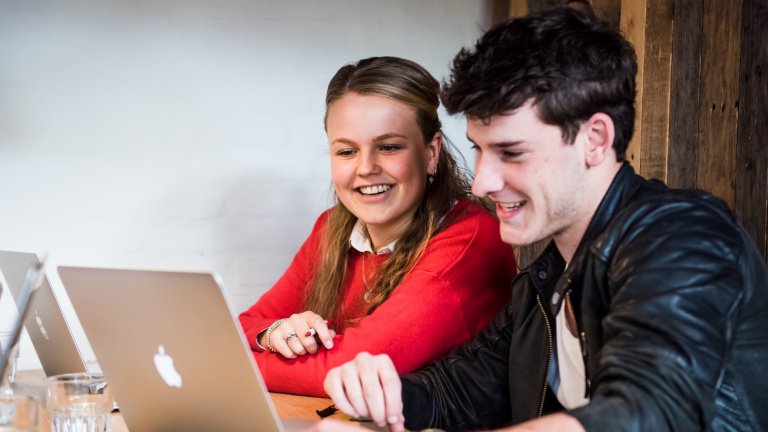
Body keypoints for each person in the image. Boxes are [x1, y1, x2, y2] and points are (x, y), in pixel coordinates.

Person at [312, 3, 768, 431]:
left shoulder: (682, 237)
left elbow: (648, 411)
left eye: (511, 152)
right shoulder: (544, 282)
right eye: (480, 150)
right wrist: (374, 390)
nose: (481, 183)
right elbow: (454, 391)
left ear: (594, 139)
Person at [238, 56, 517, 397]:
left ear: (431, 153)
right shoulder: (332, 228)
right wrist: (277, 333)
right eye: (346, 152)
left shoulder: (472, 240)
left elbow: (354, 367)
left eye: (388, 147)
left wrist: (229, 363)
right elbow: (242, 325)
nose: (366, 167)